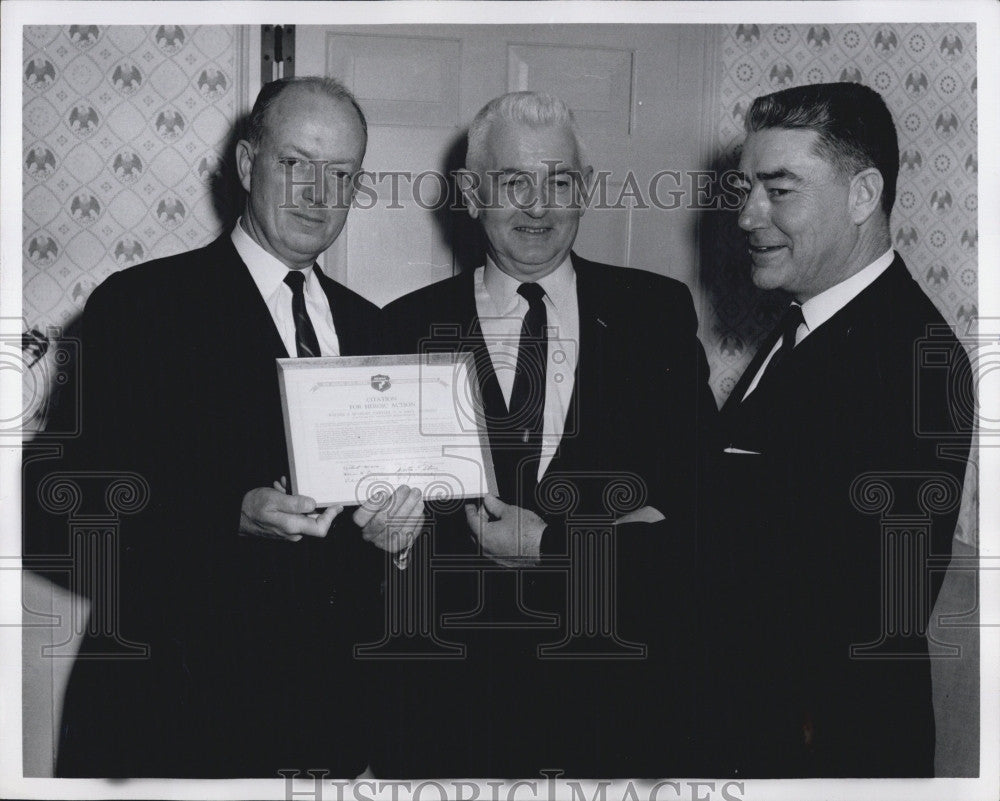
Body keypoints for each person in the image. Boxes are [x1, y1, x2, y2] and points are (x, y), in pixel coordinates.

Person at [52, 77, 423, 777]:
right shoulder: (140, 307)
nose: (319, 193)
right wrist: (228, 514)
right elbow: (59, 498)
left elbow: (375, 544)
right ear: (248, 164)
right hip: (173, 719)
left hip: (327, 727)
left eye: (341, 174)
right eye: (296, 164)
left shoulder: (375, 327)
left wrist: (394, 539)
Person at [377, 91, 718, 778]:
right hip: (455, 707)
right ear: (473, 195)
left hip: (620, 696)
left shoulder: (653, 313)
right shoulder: (401, 326)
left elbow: (697, 500)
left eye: (559, 181)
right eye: (513, 182)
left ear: (585, 192)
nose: (538, 206)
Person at [702, 82, 973, 777]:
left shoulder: (912, 353)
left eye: (779, 189)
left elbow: (868, 606)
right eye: (746, 188)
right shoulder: (805, 322)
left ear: (862, 195)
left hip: (827, 754)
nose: (747, 215)